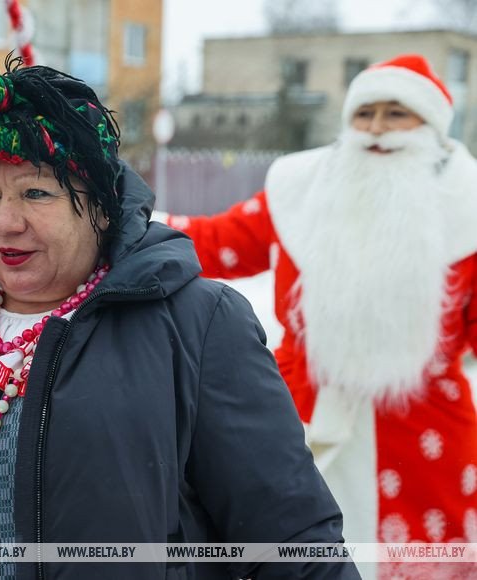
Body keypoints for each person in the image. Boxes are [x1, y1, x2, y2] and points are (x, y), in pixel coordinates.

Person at [0, 58, 358, 580]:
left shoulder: (194, 324)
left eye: (36, 192)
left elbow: (289, 534)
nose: (5, 221)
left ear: (100, 205)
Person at [160, 54, 477, 579]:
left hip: (425, 435)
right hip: (298, 413)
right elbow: (215, 243)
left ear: (432, 126)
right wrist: (123, 227)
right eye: (365, 113)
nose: (377, 128)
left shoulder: (468, 205)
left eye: (397, 113)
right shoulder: (301, 187)